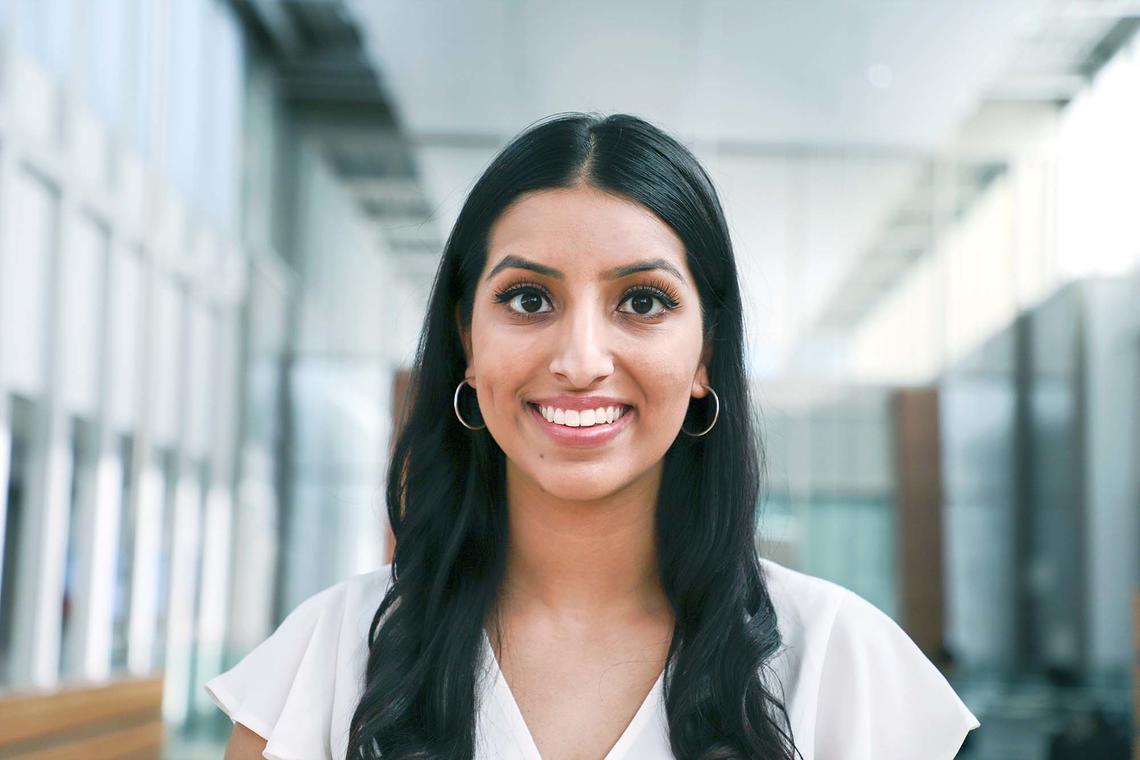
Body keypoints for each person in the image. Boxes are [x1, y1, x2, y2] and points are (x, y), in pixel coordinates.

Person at [206, 112, 981, 759]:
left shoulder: (842, 663)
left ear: (706, 351)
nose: (580, 361)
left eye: (642, 302)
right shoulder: (329, 658)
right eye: (528, 299)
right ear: (466, 343)